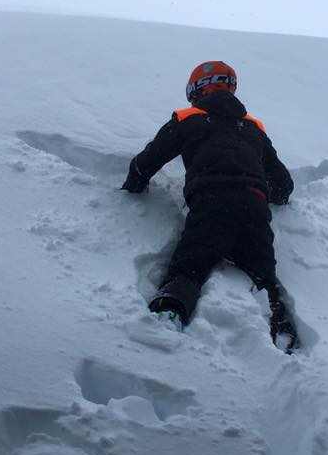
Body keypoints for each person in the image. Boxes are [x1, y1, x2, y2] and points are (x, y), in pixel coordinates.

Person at [121, 61, 299, 352]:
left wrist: (133, 187)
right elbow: (283, 184)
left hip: (212, 202)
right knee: (264, 276)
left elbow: (145, 163)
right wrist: (270, 195)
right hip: (255, 208)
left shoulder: (187, 118)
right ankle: (282, 334)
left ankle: (169, 315)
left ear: (195, 91)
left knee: (189, 266)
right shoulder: (253, 128)